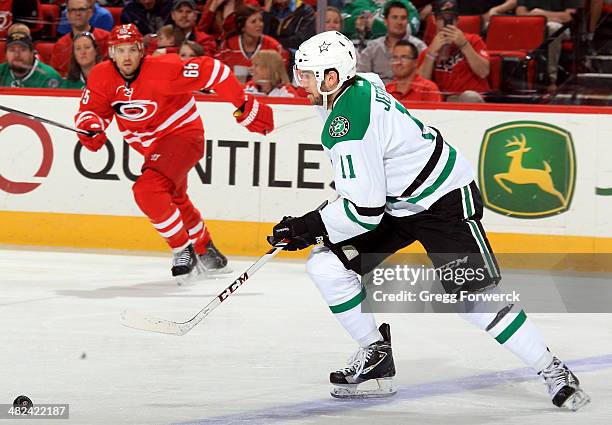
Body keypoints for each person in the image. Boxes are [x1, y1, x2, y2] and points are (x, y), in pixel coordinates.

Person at [268, 30, 590, 410]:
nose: (298, 81)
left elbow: (364, 212)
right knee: (326, 266)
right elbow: (369, 183)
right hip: (396, 202)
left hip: (443, 201)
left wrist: (308, 227)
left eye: (306, 74)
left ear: (332, 77)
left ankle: (552, 369)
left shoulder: (348, 123)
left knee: (473, 300)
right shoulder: (357, 85)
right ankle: (375, 356)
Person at [74, 24, 274, 282]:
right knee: (175, 197)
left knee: (147, 190)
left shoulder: (163, 69)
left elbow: (215, 71)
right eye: (120, 50)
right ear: (111, 52)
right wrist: (91, 128)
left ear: (141, 51)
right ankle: (208, 253)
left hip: (182, 136)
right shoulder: (101, 76)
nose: (126, 57)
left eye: (132, 50)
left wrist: (243, 105)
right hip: (151, 147)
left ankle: (182, 249)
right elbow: (92, 111)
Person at [417, 0, 490, 102]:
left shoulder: (473, 40)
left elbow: (484, 72)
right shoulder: (429, 49)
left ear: (458, 20)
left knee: (470, 97)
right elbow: (421, 86)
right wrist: (431, 53)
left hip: (473, 97)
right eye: (442, 19)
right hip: (444, 101)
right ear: (434, 20)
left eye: (451, 19)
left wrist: (464, 45)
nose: (446, 23)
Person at [356, 0, 427, 83]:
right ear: (385, 21)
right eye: (394, 17)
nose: (399, 22)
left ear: (407, 21)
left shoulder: (419, 46)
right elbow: (361, 76)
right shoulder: (373, 47)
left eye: (403, 18)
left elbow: (424, 78)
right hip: (378, 92)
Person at [516, 0, 580, 90]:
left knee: (553, 28)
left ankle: (550, 78)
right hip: (532, 23)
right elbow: (520, 13)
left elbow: (568, 17)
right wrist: (540, 18)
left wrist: (542, 15)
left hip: (561, 27)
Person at [218, 5, 287, 83]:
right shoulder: (228, 46)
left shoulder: (274, 47)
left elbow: (281, 75)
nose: (260, 24)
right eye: (253, 22)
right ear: (242, 27)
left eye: (261, 20)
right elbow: (219, 72)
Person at [51, 0, 110, 78]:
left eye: (81, 9)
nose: (77, 14)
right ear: (67, 14)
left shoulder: (107, 39)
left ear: (90, 13)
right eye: (73, 10)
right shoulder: (60, 45)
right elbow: (56, 77)